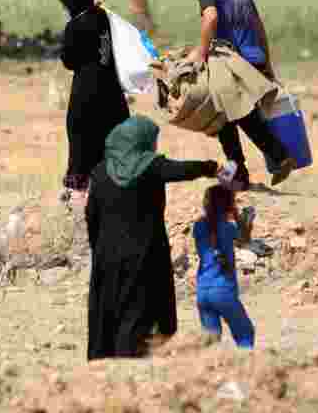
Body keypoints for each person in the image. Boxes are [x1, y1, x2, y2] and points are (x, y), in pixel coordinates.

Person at [86, 116, 220, 360]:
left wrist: (99, 249)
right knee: (138, 311)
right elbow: (182, 170)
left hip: (107, 257)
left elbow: (91, 217)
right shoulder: (150, 167)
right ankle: (130, 364)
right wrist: (212, 167)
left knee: (109, 309)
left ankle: (103, 364)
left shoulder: (99, 172)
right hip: (144, 253)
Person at [176, 0, 295, 190]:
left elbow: (210, 18)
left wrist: (200, 53)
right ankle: (250, 169)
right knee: (233, 114)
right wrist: (267, 62)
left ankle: (264, 163)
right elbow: (258, 26)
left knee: (228, 115)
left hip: (233, 63)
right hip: (254, 56)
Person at [55, 0, 130, 199]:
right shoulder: (103, 16)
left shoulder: (75, 26)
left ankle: (79, 198)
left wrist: (71, 25)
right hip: (112, 92)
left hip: (86, 95)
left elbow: (68, 61)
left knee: (82, 145)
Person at [192, 185, 256, 349]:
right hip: (222, 289)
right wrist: (238, 216)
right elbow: (245, 239)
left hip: (202, 290)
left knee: (211, 341)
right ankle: (247, 369)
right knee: (245, 333)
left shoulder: (198, 226)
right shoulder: (228, 227)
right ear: (228, 205)